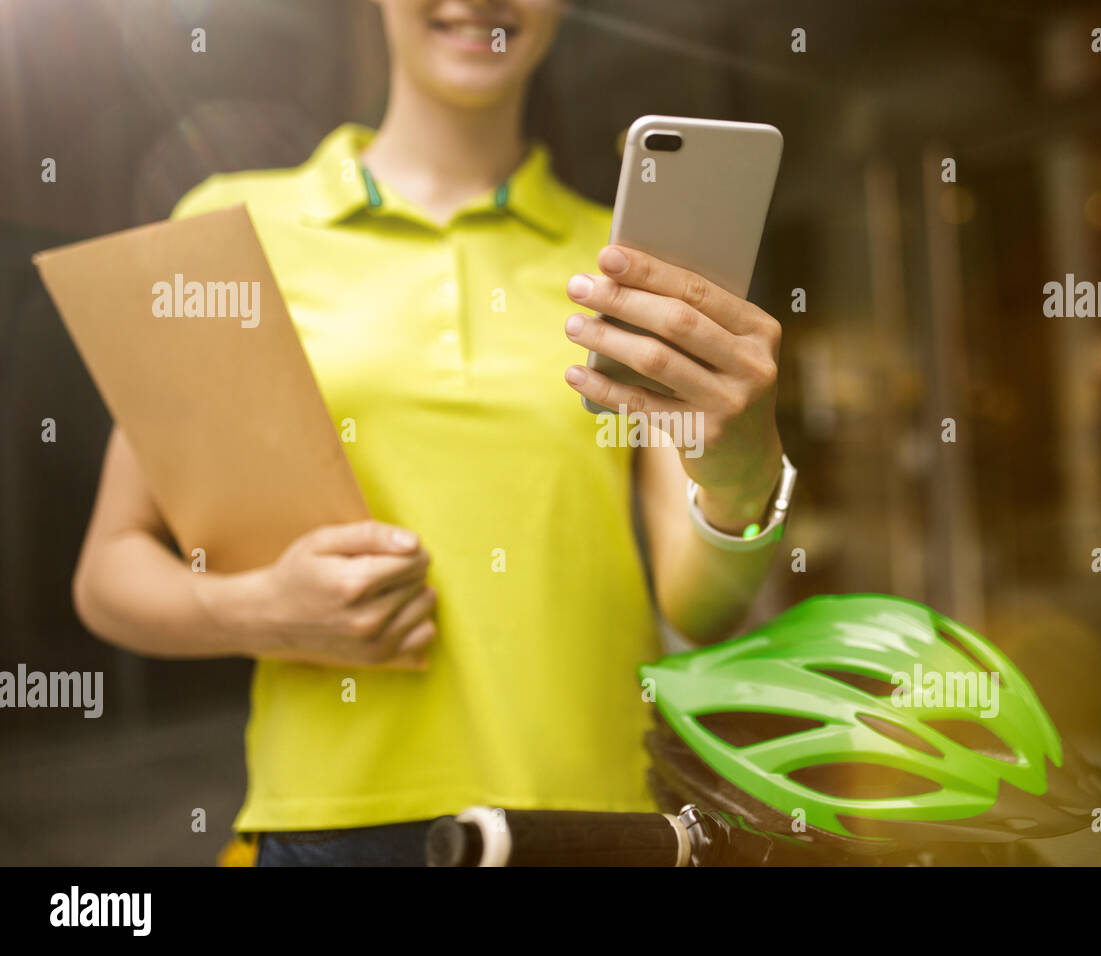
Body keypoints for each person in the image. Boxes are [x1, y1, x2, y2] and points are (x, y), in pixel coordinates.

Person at [72, 0, 789, 866]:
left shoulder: (625, 269)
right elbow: (111, 567)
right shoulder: (228, 225)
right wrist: (259, 610)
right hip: (329, 830)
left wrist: (746, 477)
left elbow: (700, 609)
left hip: (597, 826)